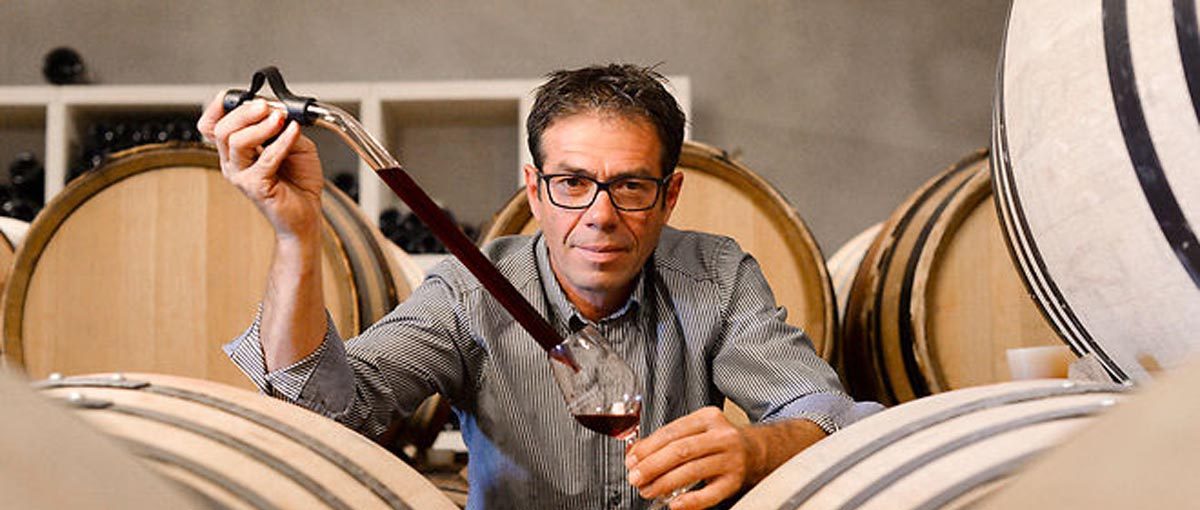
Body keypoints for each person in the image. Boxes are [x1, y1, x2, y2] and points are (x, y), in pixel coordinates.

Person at [198, 63, 880, 510]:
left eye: (630, 186)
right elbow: (324, 412)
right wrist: (297, 235)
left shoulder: (715, 276)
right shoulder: (470, 291)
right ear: (534, 188)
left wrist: (759, 449)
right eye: (572, 183)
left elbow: (831, 413)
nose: (600, 215)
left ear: (670, 195)